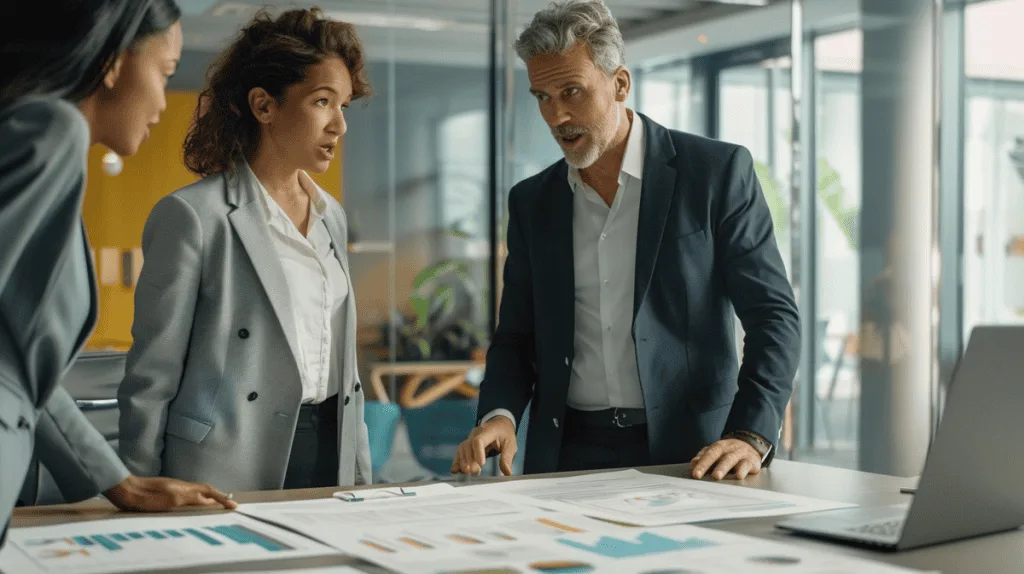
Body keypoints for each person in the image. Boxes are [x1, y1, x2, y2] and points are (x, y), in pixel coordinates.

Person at [451, 0, 800, 481]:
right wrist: (499, 416)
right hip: (567, 454)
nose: (556, 116)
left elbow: (774, 317)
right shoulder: (533, 201)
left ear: (620, 83)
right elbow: (516, 337)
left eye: (572, 91)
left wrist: (751, 435)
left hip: (695, 454)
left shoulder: (716, 174)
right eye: (542, 97)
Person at [0, 0, 236, 544]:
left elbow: (17, 366)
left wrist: (117, 482)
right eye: (165, 73)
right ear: (110, 61)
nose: (163, 102)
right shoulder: (51, 130)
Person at [118, 7, 373, 492]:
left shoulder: (331, 216)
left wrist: (361, 477)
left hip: (328, 452)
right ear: (264, 105)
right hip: (226, 460)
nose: (339, 125)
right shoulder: (193, 217)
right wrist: (134, 489)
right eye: (323, 101)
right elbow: (152, 376)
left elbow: (347, 370)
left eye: (344, 105)